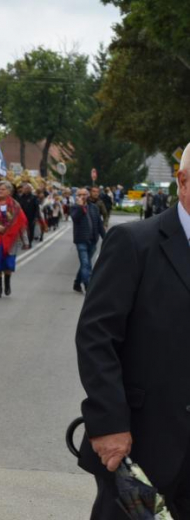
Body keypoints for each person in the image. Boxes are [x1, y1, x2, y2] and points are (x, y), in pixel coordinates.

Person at [75, 143, 190, 519]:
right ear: (183, 182)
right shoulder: (134, 243)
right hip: (144, 444)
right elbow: (96, 336)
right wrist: (108, 425)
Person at [0, 181, 28, 298]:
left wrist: (25, 241)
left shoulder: (15, 205)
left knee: (8, 263)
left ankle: (7, 285)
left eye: (2, 189)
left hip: (12, 239)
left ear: (9, 191)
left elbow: (22, 222)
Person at [70, 188, 106, 294]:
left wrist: (105, 237)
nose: (82, 196)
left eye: (84, 194)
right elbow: (75, 218)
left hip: (93, 240)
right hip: (81, 240)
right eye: (80, 194)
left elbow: (99, 223)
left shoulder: (94, 207)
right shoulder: (75, 207)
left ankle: (77, 283)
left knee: (84, 264)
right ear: (77, 196)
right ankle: (88, 286)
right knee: (86, 263)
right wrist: (80, 206)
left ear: (88, 195)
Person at [16, 182, 40, 247]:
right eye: (24, 188)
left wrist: (36, 217)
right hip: (22, 216)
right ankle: (25, 242)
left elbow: (37, 208)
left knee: (30, 229)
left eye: (27, 188)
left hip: (31, 216)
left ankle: (29, 242)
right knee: (23, 230)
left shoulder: (34, 197)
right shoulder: (21, 197)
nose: (25, 190)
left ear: (30, 189)